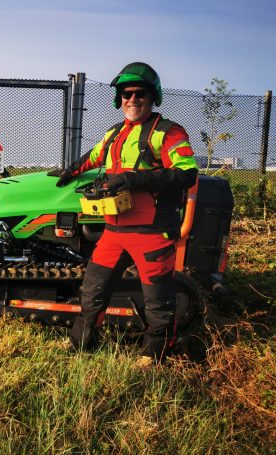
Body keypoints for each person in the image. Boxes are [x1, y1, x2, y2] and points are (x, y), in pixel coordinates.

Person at [50, 62, 198, 366]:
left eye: (139, 92)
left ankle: (155, 352)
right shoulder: (115, 133)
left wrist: (135, 179)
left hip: (153, 233)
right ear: (119, 98)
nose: (132, 99)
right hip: (114, 233)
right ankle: (82, 343)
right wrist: (69, 171)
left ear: (152, 95)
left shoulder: (168, 132)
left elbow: (186, 174)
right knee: (92, 289)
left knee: (158, 299)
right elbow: (92, 157)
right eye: (126, 93)